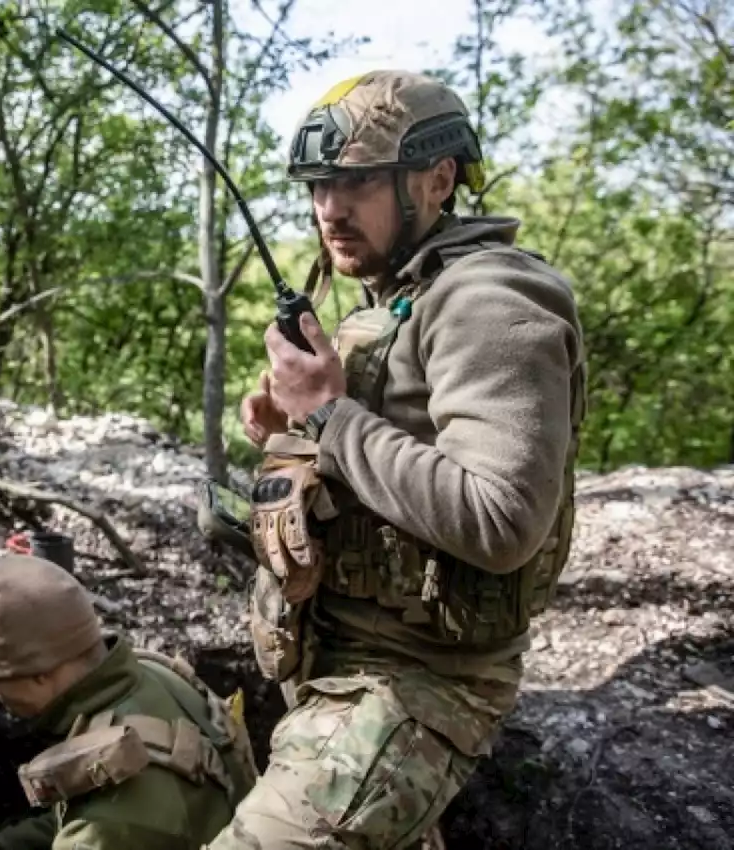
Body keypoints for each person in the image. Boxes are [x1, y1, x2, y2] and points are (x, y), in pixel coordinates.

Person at [208, 70, 588, 849]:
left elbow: (501, 517)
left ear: (438, 178)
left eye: (358, 182)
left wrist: (331, 415)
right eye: (319, 185)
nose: (329, 208)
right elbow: (389, 448)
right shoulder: (397, 294)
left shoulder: (490, 299)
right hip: (336, 664)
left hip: (414, 683)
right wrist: (297, 426)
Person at [0, 553, 259, 850]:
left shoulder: (110, 816)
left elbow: (107, 825)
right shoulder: (154, 673)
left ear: (40, 674)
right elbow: (84, 818)